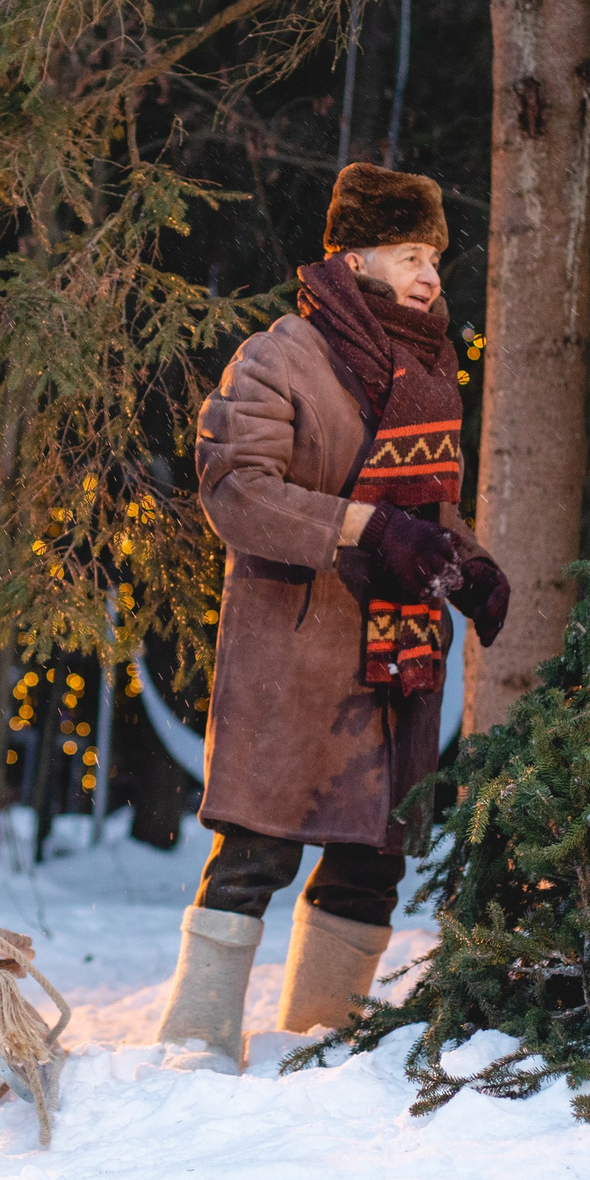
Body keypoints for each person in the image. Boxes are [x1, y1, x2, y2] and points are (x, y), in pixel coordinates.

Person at [154, 164, 510, 1071]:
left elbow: (428, 514)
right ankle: (193, 1043)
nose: (432, 275)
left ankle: (323, 1041)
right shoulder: (280, 356)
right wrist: (366, 527)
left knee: (372, 858)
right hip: (297, 650)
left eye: (435, 256)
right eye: (409, 254)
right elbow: (237, 490)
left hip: (398, 664)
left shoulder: (431, 375)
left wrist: (467, 564)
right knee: (256, 852)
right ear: (354, 260)